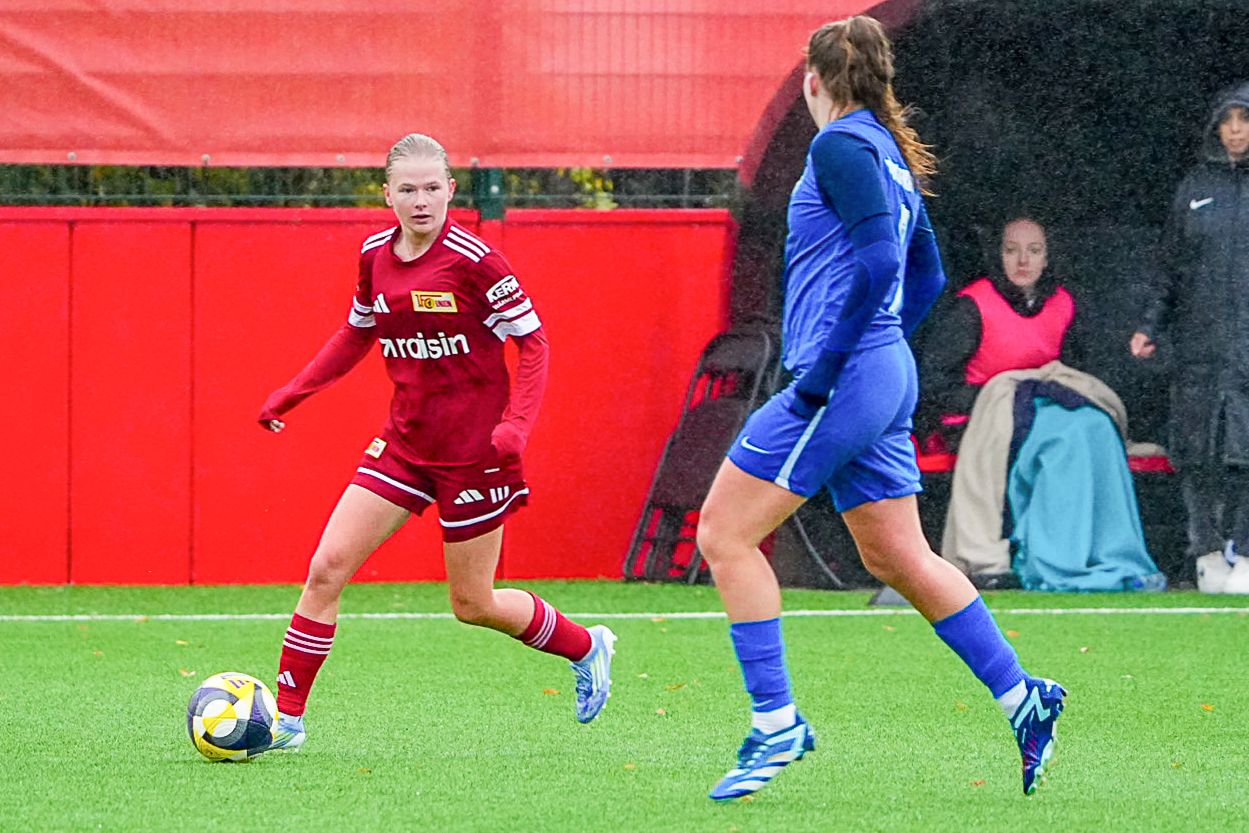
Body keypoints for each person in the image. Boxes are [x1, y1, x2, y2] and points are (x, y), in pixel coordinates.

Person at [695, 16, 1065, 801]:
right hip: (877, 368)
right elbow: (923, 271)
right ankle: (1021, 696)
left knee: (723, 534)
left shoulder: (836, 146)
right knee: (898, 555)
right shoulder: (882, 150)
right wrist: (884, 349)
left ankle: (775, 721)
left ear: (812, 82)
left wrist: (829, 367)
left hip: (847, 377)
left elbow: (877, 262)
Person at [255, 133, 616, 751]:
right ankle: (286, 721)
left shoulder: (477, 263)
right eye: (407, 189)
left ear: (450, 191)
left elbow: (535, 344)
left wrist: (516, 427)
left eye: (432, 188)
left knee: (472, 604)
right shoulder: (373, 256)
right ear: (387, 195)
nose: (420, 201)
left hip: (476, 454)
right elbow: (355, 332)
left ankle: (587, 646)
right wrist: (292, 391)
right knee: (325, 569)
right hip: (404, 444)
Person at [1130, 81, 1249, 594]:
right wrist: (1149, 325)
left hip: (1245, 349)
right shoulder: (1194, 188)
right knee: (1197, 455)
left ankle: (1242, 551)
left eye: (1244, 120)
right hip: (1198, 348)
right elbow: (1169, 270)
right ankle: (1204, 553)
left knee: (1245, 455)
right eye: (1228, 121)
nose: (1236, 131)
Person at [921, 216, 1080, 450]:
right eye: (1011, 250)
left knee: (1089, 426)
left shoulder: (1064, 303)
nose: (1023, 261)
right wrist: (1004, 398)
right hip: (976, 420)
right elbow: (935, 383)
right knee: (1043, 441)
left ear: (1046, 258)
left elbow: (1074, 372)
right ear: (999, 255)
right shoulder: (972, 305)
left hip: (1043, 412)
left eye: (1034, 251)